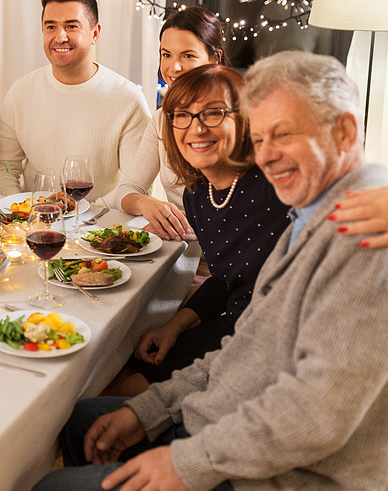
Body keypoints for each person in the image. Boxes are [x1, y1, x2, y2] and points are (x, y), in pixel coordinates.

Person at [34, 51, 388, 491]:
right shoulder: (308, 215)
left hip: (284, 474)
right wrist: (152, 410)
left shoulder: (363, 231)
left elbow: (316, 414)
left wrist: (185, 462)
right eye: (261, 139)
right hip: (230, 420)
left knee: (53, 485)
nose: (268, 157)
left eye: (284, 134)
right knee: (83, 420)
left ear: (345, 131)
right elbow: (250, 347)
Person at [106, 64, 289, 397]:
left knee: (117, 397)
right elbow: (226, 279)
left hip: (274, 345)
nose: (196, 128)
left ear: (245, 118)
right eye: (182, 116)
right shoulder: (197, 195)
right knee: (123, 366)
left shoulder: (278, 185)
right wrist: (175, 326)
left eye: (214, 114)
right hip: (235, 323)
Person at [0, 0, 149, 205]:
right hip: (35, 222)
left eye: (71, 26)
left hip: (100, 224)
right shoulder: (20, 92)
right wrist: (19, 209)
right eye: (51, 27)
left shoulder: (128, 98)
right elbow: (4, 165)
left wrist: (87, 213)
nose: (60, 37)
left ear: (95, 34)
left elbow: (137, 183)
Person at [112, 7, 225, 241]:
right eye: (166, 54)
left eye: (188, 56)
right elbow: (126, 190)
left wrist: (186, 228)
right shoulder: (163, 118)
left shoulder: (235, 120)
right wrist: (147, 203)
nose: (174, 68)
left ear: (215, 58)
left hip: (230, 254)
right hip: (179, 248)